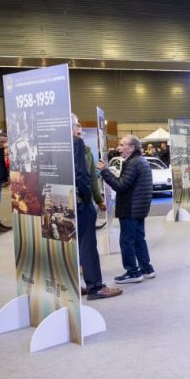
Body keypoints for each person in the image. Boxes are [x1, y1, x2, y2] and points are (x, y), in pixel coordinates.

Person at [97, 134, 156, 283]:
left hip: (130, 208)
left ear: (131, 148)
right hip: (138, 208)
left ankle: (133, 272)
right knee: (138, 239)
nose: (118, 148)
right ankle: (146, 269)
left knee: (127, 241)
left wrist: (105, 171)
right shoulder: (140, 161)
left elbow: (121, 185)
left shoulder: (133, 163)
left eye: (122, 145)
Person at [73, 122, 121, 300]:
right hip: (79, 202)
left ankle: (73, 285)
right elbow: (83, 176)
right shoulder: (76, 144)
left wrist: (98, 199)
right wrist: (88, 199)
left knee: (72, 245)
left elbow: (92, 178)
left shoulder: (78, 148)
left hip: (64, 201)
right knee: (87, 246)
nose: (80, 128)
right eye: (76, 125)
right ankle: (95, 287)